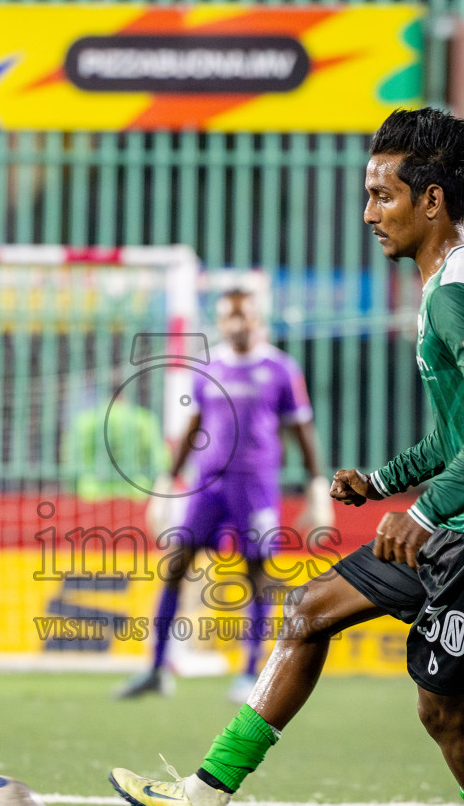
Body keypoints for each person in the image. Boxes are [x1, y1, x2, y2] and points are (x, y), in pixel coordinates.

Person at [110, 107, 464, 806]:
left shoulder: (453, 294)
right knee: (310, 609)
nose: (368, 213)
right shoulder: (452, 282)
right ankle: (204, 795)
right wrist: (383, 482)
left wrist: (422, 511)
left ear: (432, 201)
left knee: (445, 715)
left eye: (384, 196)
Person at [116, 289, 330, 704]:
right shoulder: (208, 367)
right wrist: (166, 481)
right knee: (175, 565)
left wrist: (317, 483)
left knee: (257, 576)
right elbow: (194, 426)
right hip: (208, 484)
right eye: (227, 317)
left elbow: (301, 429)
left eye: (242, 316)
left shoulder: (281, 369)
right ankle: (157, 668)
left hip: (255, 487)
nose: (235, 324)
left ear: (256, 318)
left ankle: (250, 672)